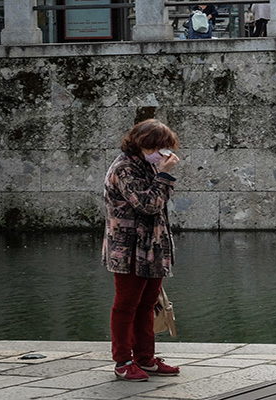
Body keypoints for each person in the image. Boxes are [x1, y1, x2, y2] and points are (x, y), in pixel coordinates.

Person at [103, 119, 182, 382]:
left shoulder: (148, 166)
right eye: (158, 146)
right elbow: (147, 205)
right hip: (128, 248)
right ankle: (123, 361)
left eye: (165, 147)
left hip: (151, 247)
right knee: (126, 306)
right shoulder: (124, 168)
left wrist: (161, 173)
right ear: (143, 144)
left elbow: (156, 205)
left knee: (147, 305)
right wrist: (165, 175)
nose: (163, 152)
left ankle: (145, 358)